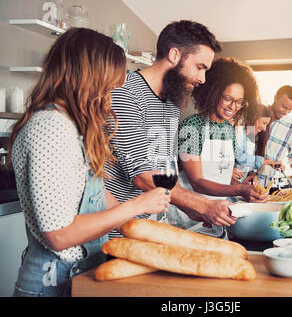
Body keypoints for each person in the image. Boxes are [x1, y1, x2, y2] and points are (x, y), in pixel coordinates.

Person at [8, 28, 170, 297]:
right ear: (87, 76)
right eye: (110, 82)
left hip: (83, 275)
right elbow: (58, 235)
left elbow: (94, 192)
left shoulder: (71, 125)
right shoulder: (50, 128)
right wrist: (137, 205)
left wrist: (143, 232)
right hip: (52, 284)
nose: (114, 90)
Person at [105, 20, 236, 236]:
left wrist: (189, 207)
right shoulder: (124, 94)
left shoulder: (172, 102)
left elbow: (162, 171)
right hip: (108, 233)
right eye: (200, 67)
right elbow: (143, 175)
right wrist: (202, 205)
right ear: (174, 55)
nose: (202, 79)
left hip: (142, 228)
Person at [178, 57, 267, 203]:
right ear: (213, 93)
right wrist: (239, 190)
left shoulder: (228, 130)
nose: (233, 107)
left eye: (239, 102)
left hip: (216, 211)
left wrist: (244, 187)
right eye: (227, 98)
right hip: (189, 215)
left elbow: (222, 176)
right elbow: (197, 182)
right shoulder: (192, 126)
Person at [256, 85, 292, 184]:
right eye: (283, 107)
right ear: (275, 98)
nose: (285, 112)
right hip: (247, 177)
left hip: (269, 183)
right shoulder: (257, 114)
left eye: (290, 109)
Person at [232, 103, 284, 183]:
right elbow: (242, 158)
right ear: (254, 118)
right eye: (264, 123)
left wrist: (247, 178)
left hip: (237, 185)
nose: (264, 128)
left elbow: (245, 165)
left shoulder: (250, 137)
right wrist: (270, 162)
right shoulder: (238, 133)